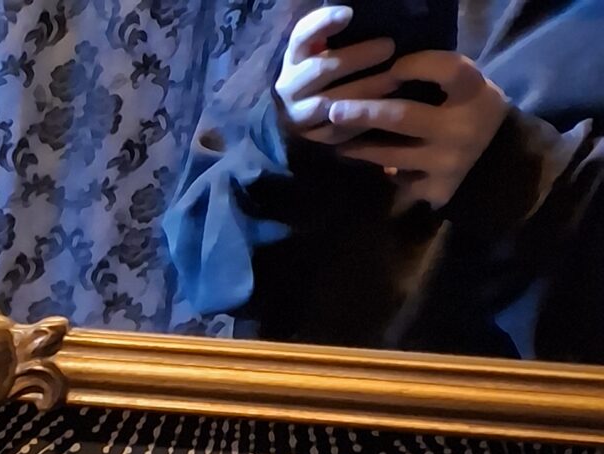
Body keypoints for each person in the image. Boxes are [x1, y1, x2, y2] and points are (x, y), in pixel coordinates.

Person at [165, 0, 604, 357]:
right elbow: (202, 265)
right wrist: (284, 143)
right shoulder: (324, 23)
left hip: (516, 450)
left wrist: (518, 175)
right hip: (282, 437)